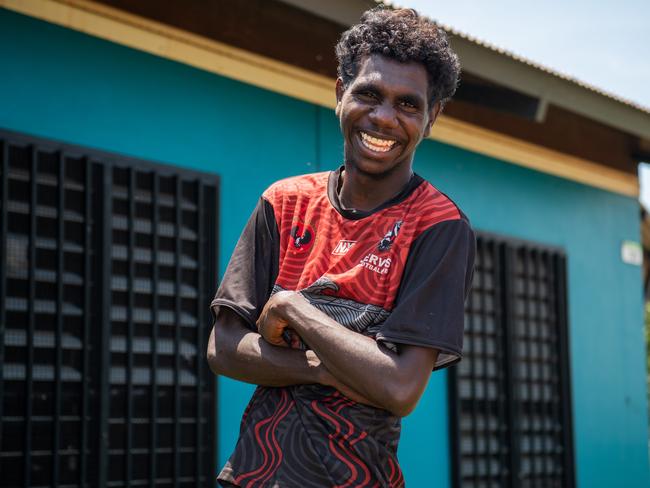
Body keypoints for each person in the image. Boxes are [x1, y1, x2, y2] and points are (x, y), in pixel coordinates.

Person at [207, 7, 475, 487]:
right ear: (339, 94)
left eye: (407, 104)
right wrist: (327, 369)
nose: (384, 117)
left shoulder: (439, 227)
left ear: (431, 117)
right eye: (368, 94)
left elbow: (398, 386)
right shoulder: (283, 203)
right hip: (252, 475)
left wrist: (294, 308)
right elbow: (224, 349)